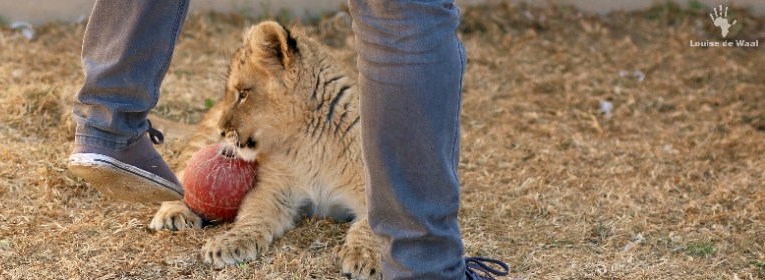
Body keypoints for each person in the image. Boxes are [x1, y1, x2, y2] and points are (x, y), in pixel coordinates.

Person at [68, 0, 509, 279]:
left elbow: (368, 205)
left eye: (242, 96)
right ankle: (420, 262)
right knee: (400, 9)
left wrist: (365, 237)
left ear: (286, 63)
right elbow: (273, 197)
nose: (227, 114)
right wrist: (251, 231)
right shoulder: (279, 140)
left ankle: (108, 122)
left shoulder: (352, 127)